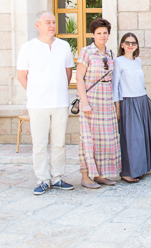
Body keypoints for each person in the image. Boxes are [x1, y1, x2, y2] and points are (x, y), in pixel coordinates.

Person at [16, 11, 75, 195]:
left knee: (59, 143)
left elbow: (68, 72)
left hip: (60, 102)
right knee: (39, 144)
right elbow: (21, 75)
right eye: (47, 22)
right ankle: (43, 179)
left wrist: (58, 90)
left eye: (54, 22)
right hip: (38, 104)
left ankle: (57, 177)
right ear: (37, 25)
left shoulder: (64, 46)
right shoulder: (28, 47)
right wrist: (35, 92)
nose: (52, 25)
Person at [76, 18, 121, 188]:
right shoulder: (86, 52)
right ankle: (85, 176)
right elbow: (79, 78)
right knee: (89, 140)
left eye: (105, 33)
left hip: (106, 100)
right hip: (91, 100)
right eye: (98, 33)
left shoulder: (109, 54)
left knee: (106, 139)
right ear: (93, 35)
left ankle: (100, 174)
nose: (102, 36)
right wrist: (84, 102)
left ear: (108, 35)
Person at [112, 33, 151, 183]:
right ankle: (127, 171)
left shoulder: (138, 60)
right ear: (122, 45)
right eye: (127, 42)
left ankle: (140, 169)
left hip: (141, 100)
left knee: (143, 137)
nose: (130, 45)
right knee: (132, 138)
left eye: (134, 43)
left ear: (137, 46)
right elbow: (115, 86)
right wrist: (117, 108)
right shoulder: (118, 62)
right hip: (127, 102)